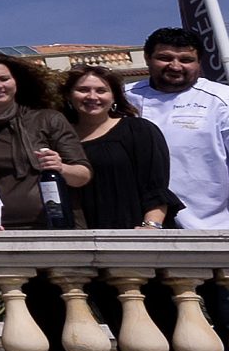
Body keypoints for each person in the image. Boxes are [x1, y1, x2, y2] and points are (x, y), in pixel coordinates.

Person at [0, 51, 88, 230]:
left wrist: (61, 168)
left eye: (4, 78)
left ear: (17, 82)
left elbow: (83, 176)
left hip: (53, 226)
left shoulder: (48, 119)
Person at [125, 27, 229, 230]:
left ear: (199, 62)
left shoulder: (222, 100)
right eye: (164, 58)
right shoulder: (122, 97)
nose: (175, 66)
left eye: (186, 60)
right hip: (134, 225)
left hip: (208, 226)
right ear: (147, 58)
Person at [63, 66, 172, 230]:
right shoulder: (60, 137)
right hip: (78, 233)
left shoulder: (138, 130)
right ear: (69, 95)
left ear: (114, 96)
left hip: (132, 231)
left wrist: (151, 226)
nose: (92, 96)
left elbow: (155, 186)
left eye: (101, 91)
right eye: (83, 90)